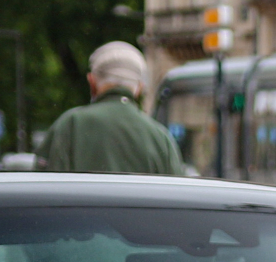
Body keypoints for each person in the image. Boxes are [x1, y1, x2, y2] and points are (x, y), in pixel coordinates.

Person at [41, 41, 186, 175]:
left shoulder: (69, 126)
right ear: (139, 88)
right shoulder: (160, 138)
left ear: (92, 82)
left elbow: (46, 187)